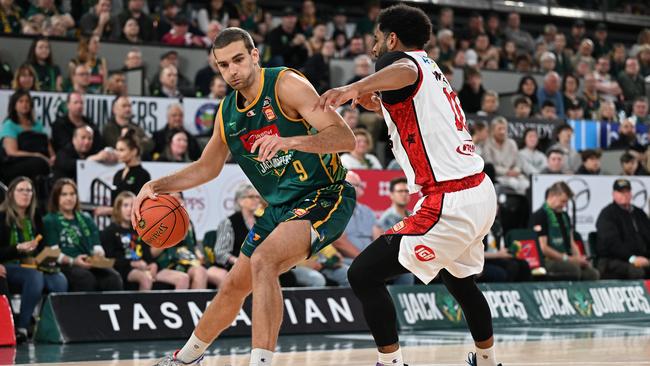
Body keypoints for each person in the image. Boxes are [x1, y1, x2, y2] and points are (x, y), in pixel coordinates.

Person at [137, 27, 356, 366]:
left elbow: (345, 138)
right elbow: (206, 168)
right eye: (224, 65)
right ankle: (185, 359)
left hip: (325, 194)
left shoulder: (286, 84)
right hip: (280, 208)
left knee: (264, 260)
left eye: (238, 59)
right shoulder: (227, 114)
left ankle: (261, 363)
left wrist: (290, 141)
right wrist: (156, 186)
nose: (232, 71)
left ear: (255, 55)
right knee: (232, 286)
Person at [316, 5, 500, 366]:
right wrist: (375, 102)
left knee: (363, 273)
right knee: (460, 282)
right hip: (479, 192)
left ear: (392, 38)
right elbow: (409, 100)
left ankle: (391, 362)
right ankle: (488, 359)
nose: (373, 47)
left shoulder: (400, 63)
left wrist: (352, 87)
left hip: (450, 199)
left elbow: (402, 70)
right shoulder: (431, 68)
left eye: (375, 38)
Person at [0, 177, 68, 343]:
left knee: (59, 280)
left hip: (35, 265)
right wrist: (17, 248)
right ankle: (22, 327)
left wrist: (48, 256)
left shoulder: (36, 216)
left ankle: (52, 330)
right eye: (21, 190)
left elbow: (42, 245)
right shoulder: (1, 217)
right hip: (10, 266)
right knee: (34, 277)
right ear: (11, 194)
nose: (26, 194)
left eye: (29, 190)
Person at [43, 178, 123, 292]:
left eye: (72, 194)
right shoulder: (50, 220)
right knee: (85, 279)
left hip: (89, 263)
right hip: (66, 265)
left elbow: (97, 246)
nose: (69, 198)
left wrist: (98, 256)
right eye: (64, 194)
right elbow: (53, 253)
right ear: (56, 197)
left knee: (113, 278)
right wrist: (73, 261)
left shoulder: (86, 218)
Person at [101, 191, 191, 290]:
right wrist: (131, 263)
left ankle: (178, 305)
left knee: (183, 278)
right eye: (125, 205)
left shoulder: (141, 229)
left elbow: (147, 252)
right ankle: (147, 306)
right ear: (118, 208)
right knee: (145, 278)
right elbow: (109, 259)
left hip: (145, 266)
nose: (129, 209)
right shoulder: (109, 232)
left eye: (132, 205)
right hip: (126, 269)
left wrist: (153, 264)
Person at [529, 182, 599, 281]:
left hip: (566, 257)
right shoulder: (540, 215)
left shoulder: (564, 216)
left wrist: (578, 258)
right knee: (574, 270)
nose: (564, 205)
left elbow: (571, 242)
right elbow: (543, 248)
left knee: (592, 273)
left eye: (566, 202)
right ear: (552, 196)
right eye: (562, 201)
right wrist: (568, 259)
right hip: (548, 260)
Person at [595, 179, 650, 279]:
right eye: (621, 192)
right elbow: (611, 244)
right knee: (637, 271)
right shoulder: (607, 214)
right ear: (614, 194)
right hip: (611, 260)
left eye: (627, 192)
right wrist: (632, 258)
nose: (624, 195)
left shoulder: (639, 213)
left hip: (640, 258)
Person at [0, 90, 53, 183]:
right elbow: (12, 152)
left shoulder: (37, 125)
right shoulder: (9, 125)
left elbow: (47, 144)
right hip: (14, 164)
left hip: (40, 160)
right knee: (39, 163)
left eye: (27, 101)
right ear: (14, 105)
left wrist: (53, 157)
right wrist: (38, 155)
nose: (24, 104)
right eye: (21, 101)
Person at [375, 177, 413, 285]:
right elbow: (387, 245)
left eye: (407, 191)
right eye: (400, 191)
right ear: (391, 194)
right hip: (395, 258)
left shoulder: (412, 215)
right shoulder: (386, 218)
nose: (404, 194)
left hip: (412, 255)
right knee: (407, 273)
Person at [483, 117, 529, 195]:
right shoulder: (487, 144)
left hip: (515, 175)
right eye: (499, 129)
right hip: (499, 176)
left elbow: (518, 163)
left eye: (504, 129)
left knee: (526, 184)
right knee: (513, 183)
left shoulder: (512, 143)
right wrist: (506, 172)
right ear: (493, 130)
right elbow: (489, 166)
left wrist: (516, 170)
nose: (502, 132)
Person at [112, 129, 150, 204]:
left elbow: (141, 203)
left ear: (134, 151)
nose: (117, 153)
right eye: (117, 150)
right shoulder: (118, 174)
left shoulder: (143, 175)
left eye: (121, 150)